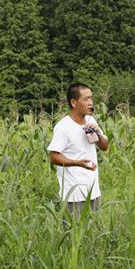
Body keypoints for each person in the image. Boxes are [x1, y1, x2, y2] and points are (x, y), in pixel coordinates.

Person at [47, 83, 109, 217]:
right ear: (74, 102)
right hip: (73, 195)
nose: (91, 102)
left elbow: (104, 147)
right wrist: (78, 163)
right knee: (74, 229)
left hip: (93, 191)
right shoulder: (63, 127)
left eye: (91, 98)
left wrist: (98, 133)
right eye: (86, 99)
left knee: (94, 229)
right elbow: (54, 156)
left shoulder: (90, 120)